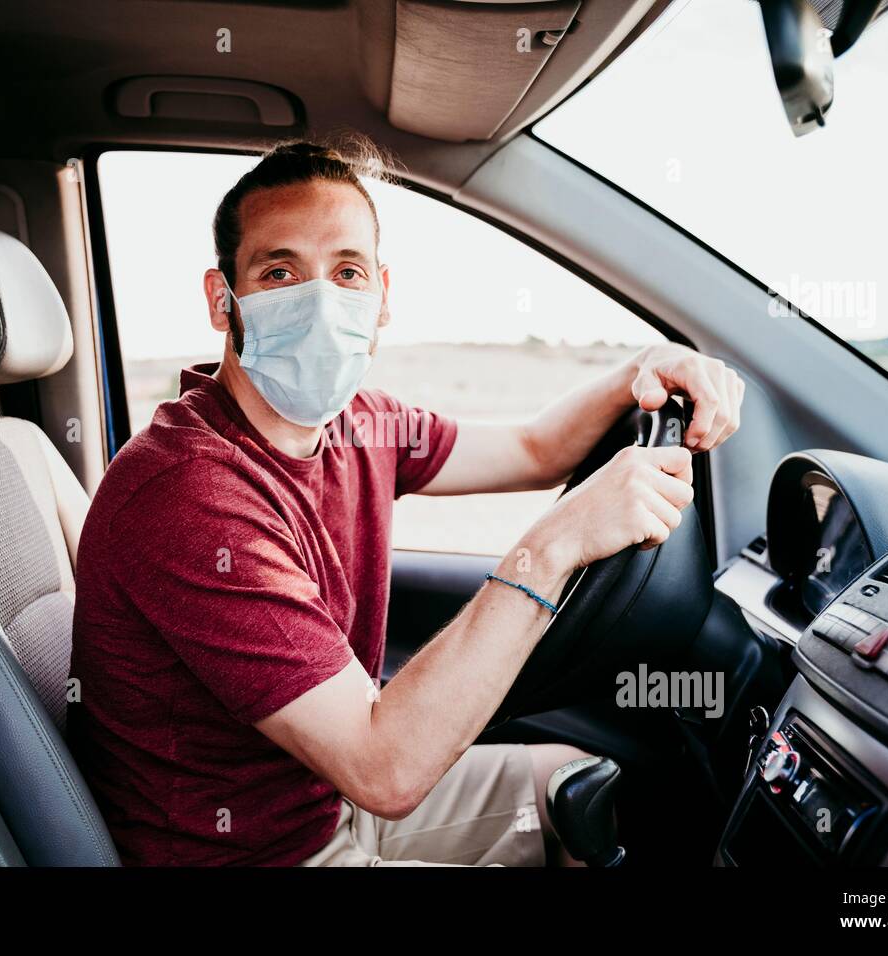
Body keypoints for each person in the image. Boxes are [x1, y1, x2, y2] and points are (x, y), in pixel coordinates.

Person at [68, 139, 744, 866]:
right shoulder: (189, 496)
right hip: (249, 852)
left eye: (347, 271)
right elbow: (383, 769)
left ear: (382, 296)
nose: (320, 299)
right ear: (220, 298)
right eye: (279, 271)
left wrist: (644, 366)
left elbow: (534, 448)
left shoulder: (360, 423)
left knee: (582, 788)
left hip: (324, 802)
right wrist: (553, 548)